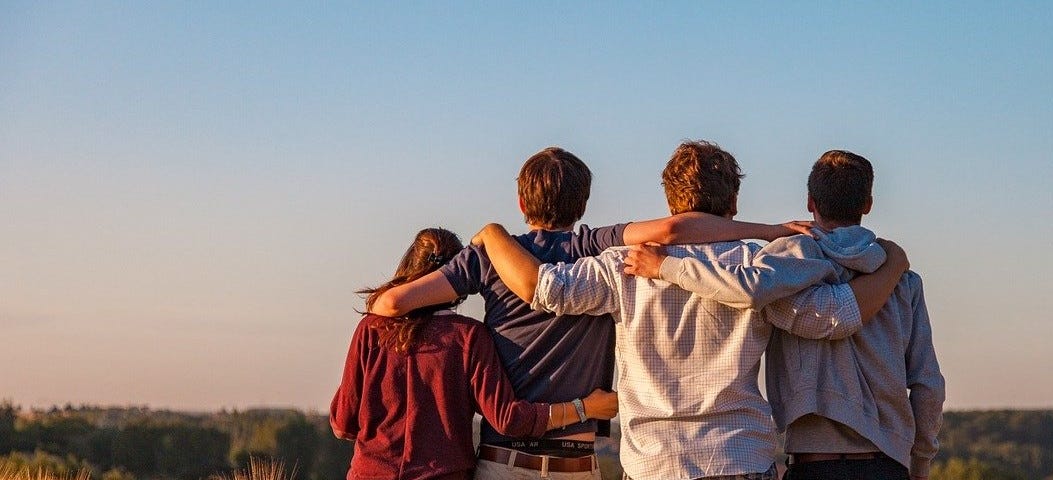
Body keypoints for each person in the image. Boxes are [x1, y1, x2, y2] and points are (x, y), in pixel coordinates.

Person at [472, 141, 911, 480]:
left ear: (669, 203)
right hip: (739, 454)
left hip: (654, 462)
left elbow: (545, 289)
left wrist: (492, 234)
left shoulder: (623, 264)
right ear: (733, 204)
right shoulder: (759, 265)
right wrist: (893, 264)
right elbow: (831, 318)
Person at [369, 147, 800, 479]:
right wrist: (771, 231)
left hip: (504, 456)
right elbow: (674, 229)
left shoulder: (490, 257)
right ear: (584, 202)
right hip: (577, 459)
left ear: (521, 202)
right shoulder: (595, 247)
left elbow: (391, 305)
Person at [625, 150, 945, 480]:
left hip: (812, 463)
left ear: (810, 202)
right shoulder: (903, 282)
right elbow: (927, 384)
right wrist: (920, 460)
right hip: (888, 462)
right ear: (868, 203)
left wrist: (666, 266)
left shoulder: (783, 270)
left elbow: (747, 288)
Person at [330, 227, 619, 480]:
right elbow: (508, 419)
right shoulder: (468, 336)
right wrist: (585, 408)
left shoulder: (371, 328)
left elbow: (343, 423)